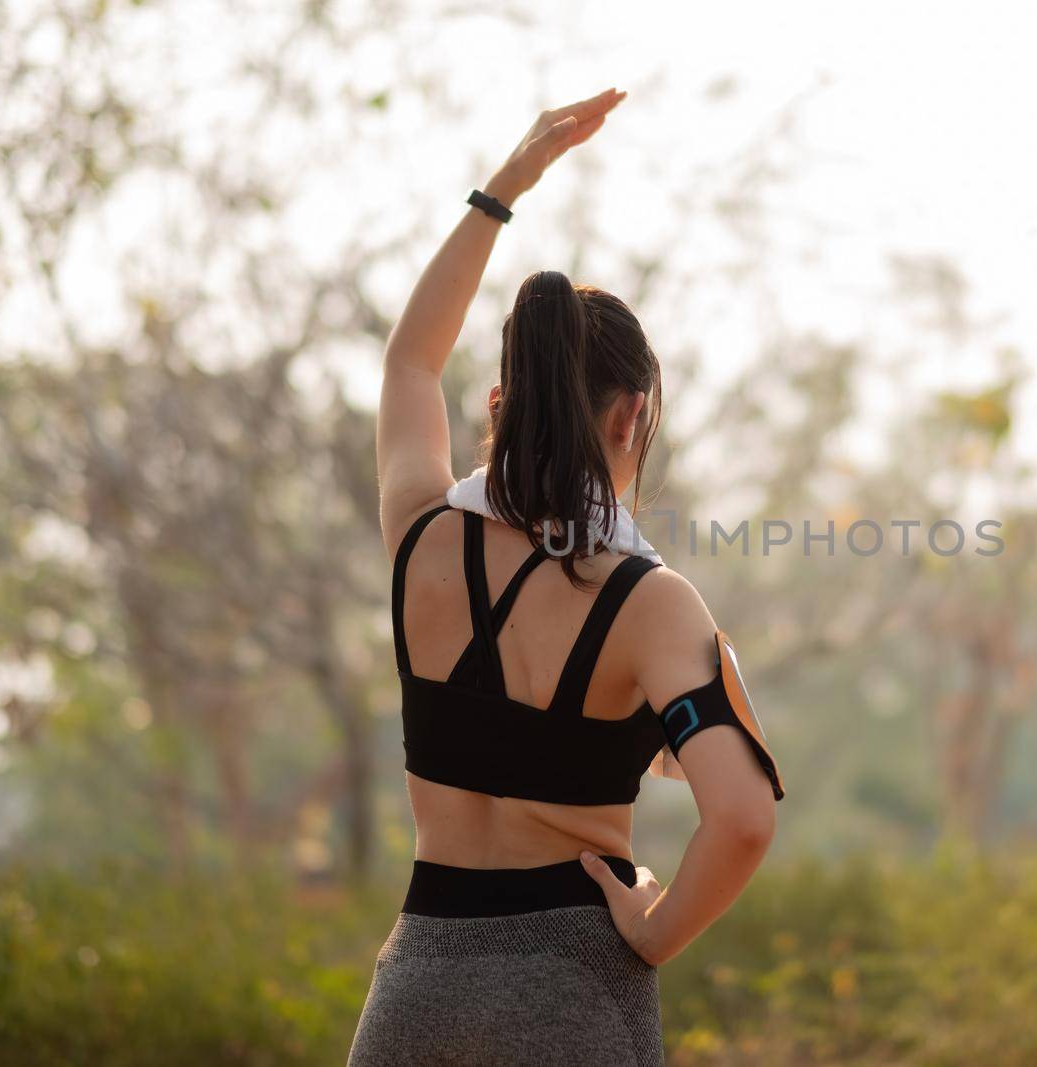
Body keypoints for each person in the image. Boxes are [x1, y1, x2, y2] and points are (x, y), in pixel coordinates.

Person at [347, 87, 785, 1066]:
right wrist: (653, 930)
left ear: (499, 403)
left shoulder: (421, 537)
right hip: (573, 990)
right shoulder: (652, 604)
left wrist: (507, 183)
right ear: (632, 416)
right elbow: (744, 818)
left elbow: (410, 365)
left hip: (416, 990)